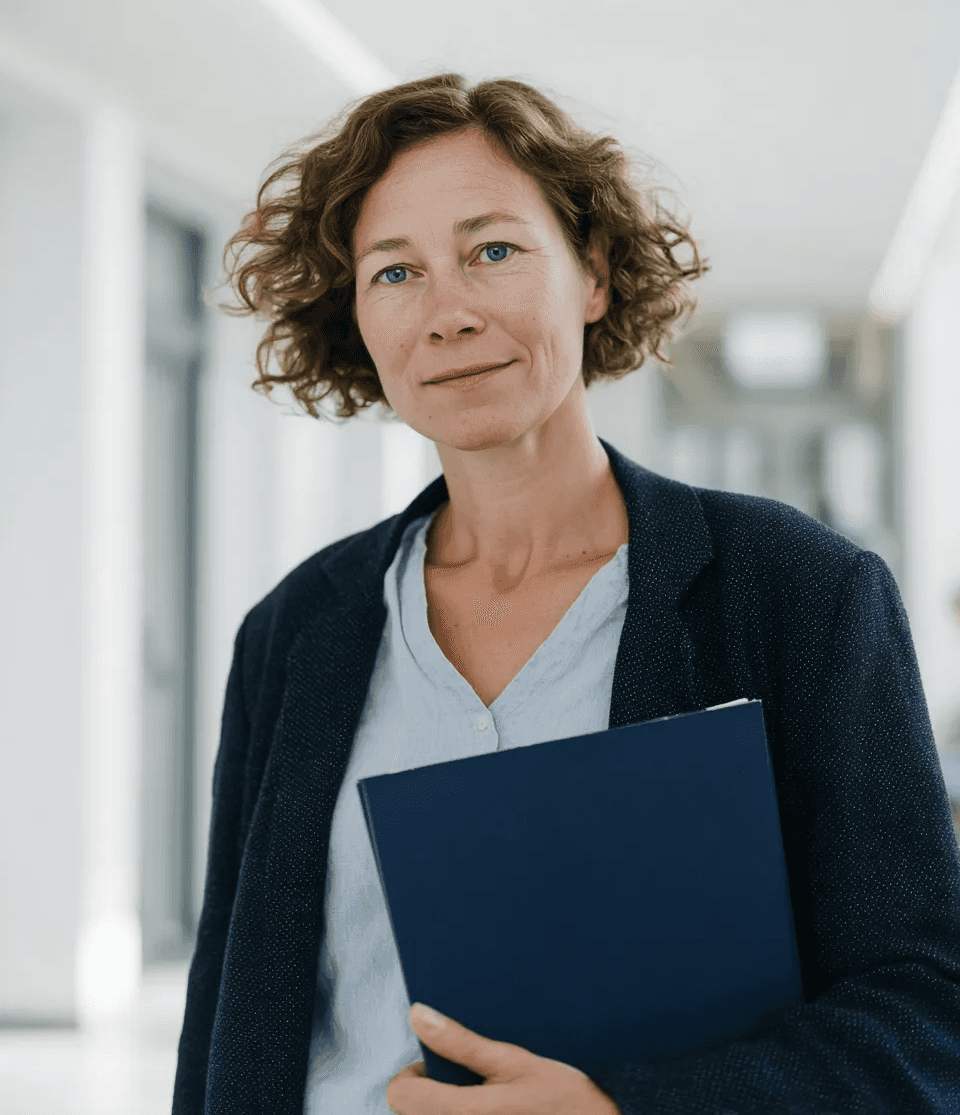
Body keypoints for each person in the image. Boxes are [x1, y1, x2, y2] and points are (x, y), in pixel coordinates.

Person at [172, 73, 960, 1115]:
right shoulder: (295, 630)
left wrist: (622, 1110)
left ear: (591, 273)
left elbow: (927, 1015)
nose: (447, 312)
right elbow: (231, 1010)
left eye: (493, 251)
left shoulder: (801, 596)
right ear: (356, 316)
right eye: (394, 271)